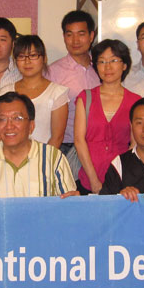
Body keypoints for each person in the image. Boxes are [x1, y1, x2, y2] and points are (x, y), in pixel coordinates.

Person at [0, 92, 77, 199]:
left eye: (17, 118)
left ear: (31, 126)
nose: (9, 126)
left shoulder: (54, 159)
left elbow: (68, 205)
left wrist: (74, 201)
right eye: (2, 119)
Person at [73, 39, 141, 194]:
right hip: (88, 179)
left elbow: (135, 144)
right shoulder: (86, 98)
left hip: (122, 179)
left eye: (114, 61)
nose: (107, 67)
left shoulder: (135, 101)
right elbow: (79, 140)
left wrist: (123, 177)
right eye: (102, 61)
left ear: (124, 65)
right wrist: (93, 180)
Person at [47, 10, 101, 173]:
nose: (75, 40)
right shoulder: (53, 72)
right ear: (64, 37)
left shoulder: (102, 68)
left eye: (81, 34)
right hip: (66, 147)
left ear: (91, 36)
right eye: (69, 34)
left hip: (98, 146)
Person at [0, 35, 69, 148]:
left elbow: (57, 137)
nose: (27, 61)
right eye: (21, 56)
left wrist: (42, 158)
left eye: (33, 55)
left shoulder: (57, 93)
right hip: (9, 155)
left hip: (45, 156)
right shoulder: (5, 92)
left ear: (44, 58)